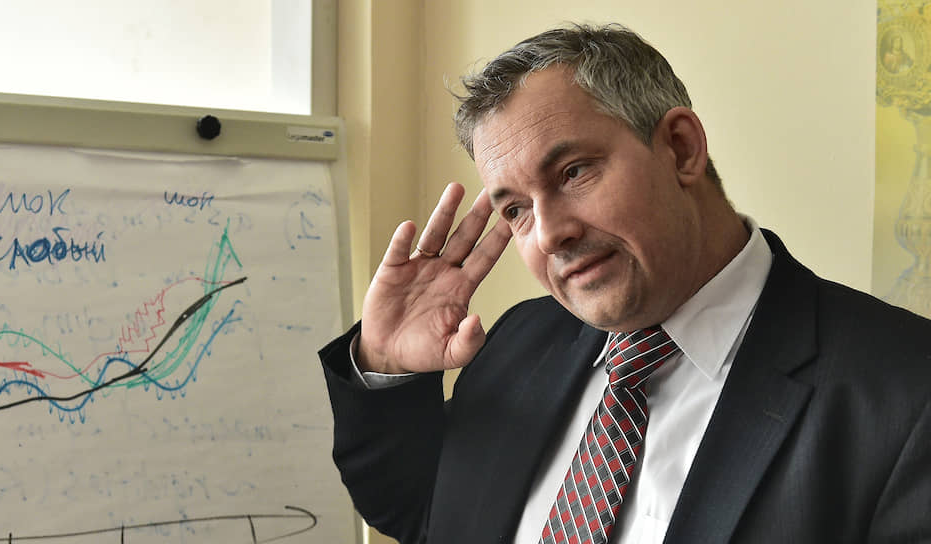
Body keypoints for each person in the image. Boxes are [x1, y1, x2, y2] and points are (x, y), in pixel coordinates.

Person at [320, 23, 931, 544]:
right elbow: (424, 512)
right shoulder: (520, 342)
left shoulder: (906, 393)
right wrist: (386, 365)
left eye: (573, 172)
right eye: (516, 210)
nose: (549, 234)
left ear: (682, 149)